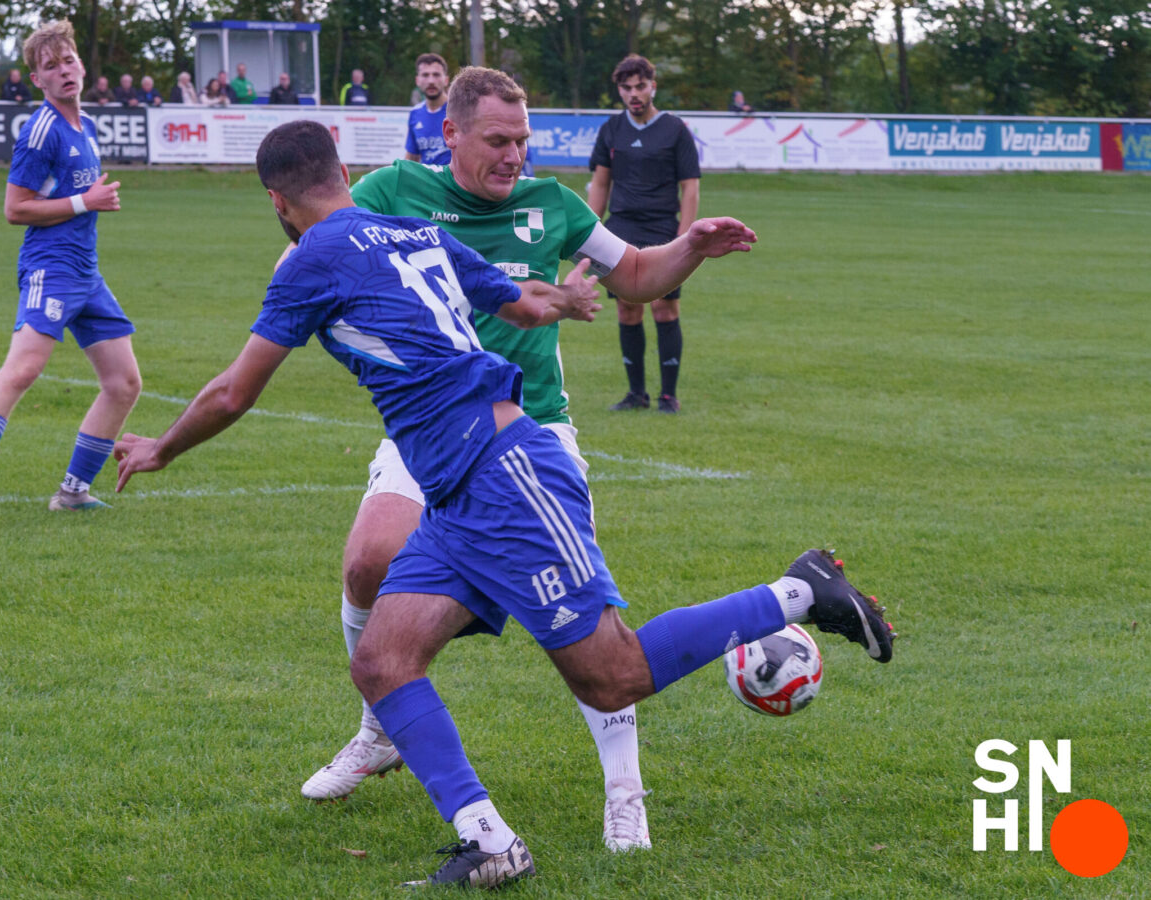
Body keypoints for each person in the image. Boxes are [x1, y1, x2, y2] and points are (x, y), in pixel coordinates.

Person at [113, 118, 895, 889]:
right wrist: (566, 298)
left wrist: (160, 448)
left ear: (277, 203)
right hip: (453, 493)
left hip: (505, 475)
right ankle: (488, 843)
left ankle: (797, 592)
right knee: (381, 661)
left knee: (612, 675)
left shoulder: (307, 259)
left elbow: (233, 391)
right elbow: (518, 304)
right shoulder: (414, 232)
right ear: (344, 175)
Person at [296, 65, 689, 854]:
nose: (514, 156)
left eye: (523, 141)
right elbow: (322, 243)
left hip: (531, 432)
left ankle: (624, 792)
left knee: (578, 621)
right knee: (368, 561)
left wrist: (694, 247)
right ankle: (378, 731)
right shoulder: (392, 190)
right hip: (426, 430)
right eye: (498, 141)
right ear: (450, 134)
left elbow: (638, 276)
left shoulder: (553, 205)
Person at [0, 19, 141, 514]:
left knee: (124, 382)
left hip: (86, 272)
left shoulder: (85, 125)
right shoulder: (40, 132)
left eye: (69, 61)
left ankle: (73, 493)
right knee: (25, 366)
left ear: (82, 65)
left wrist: (88, 200)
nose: (64, 71)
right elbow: (15, 209)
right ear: (37, 80)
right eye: (51, 66)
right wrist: (85, 201)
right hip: (50, 268)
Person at [587, 54, 701, 415]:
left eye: (640, 86)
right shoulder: (611, 129)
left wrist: (685, 240)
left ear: (653, 86)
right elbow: (600, 183)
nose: (633, 93)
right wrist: (589, 231)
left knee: (664, 307)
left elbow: (690, 188)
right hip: (621, 229)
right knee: (627, 308)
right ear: (619, 91)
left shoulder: (675, 129)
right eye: (626, 88)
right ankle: (636, 394)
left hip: (663, 228)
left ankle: (668, 396)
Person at [403, 53, 449, 165]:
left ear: (446, 80)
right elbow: (412, 157)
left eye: (436, 75)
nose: (431, 81)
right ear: (417, 81)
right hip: (427, 176)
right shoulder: (415, 113)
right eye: (425, 75)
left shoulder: (461, 111)